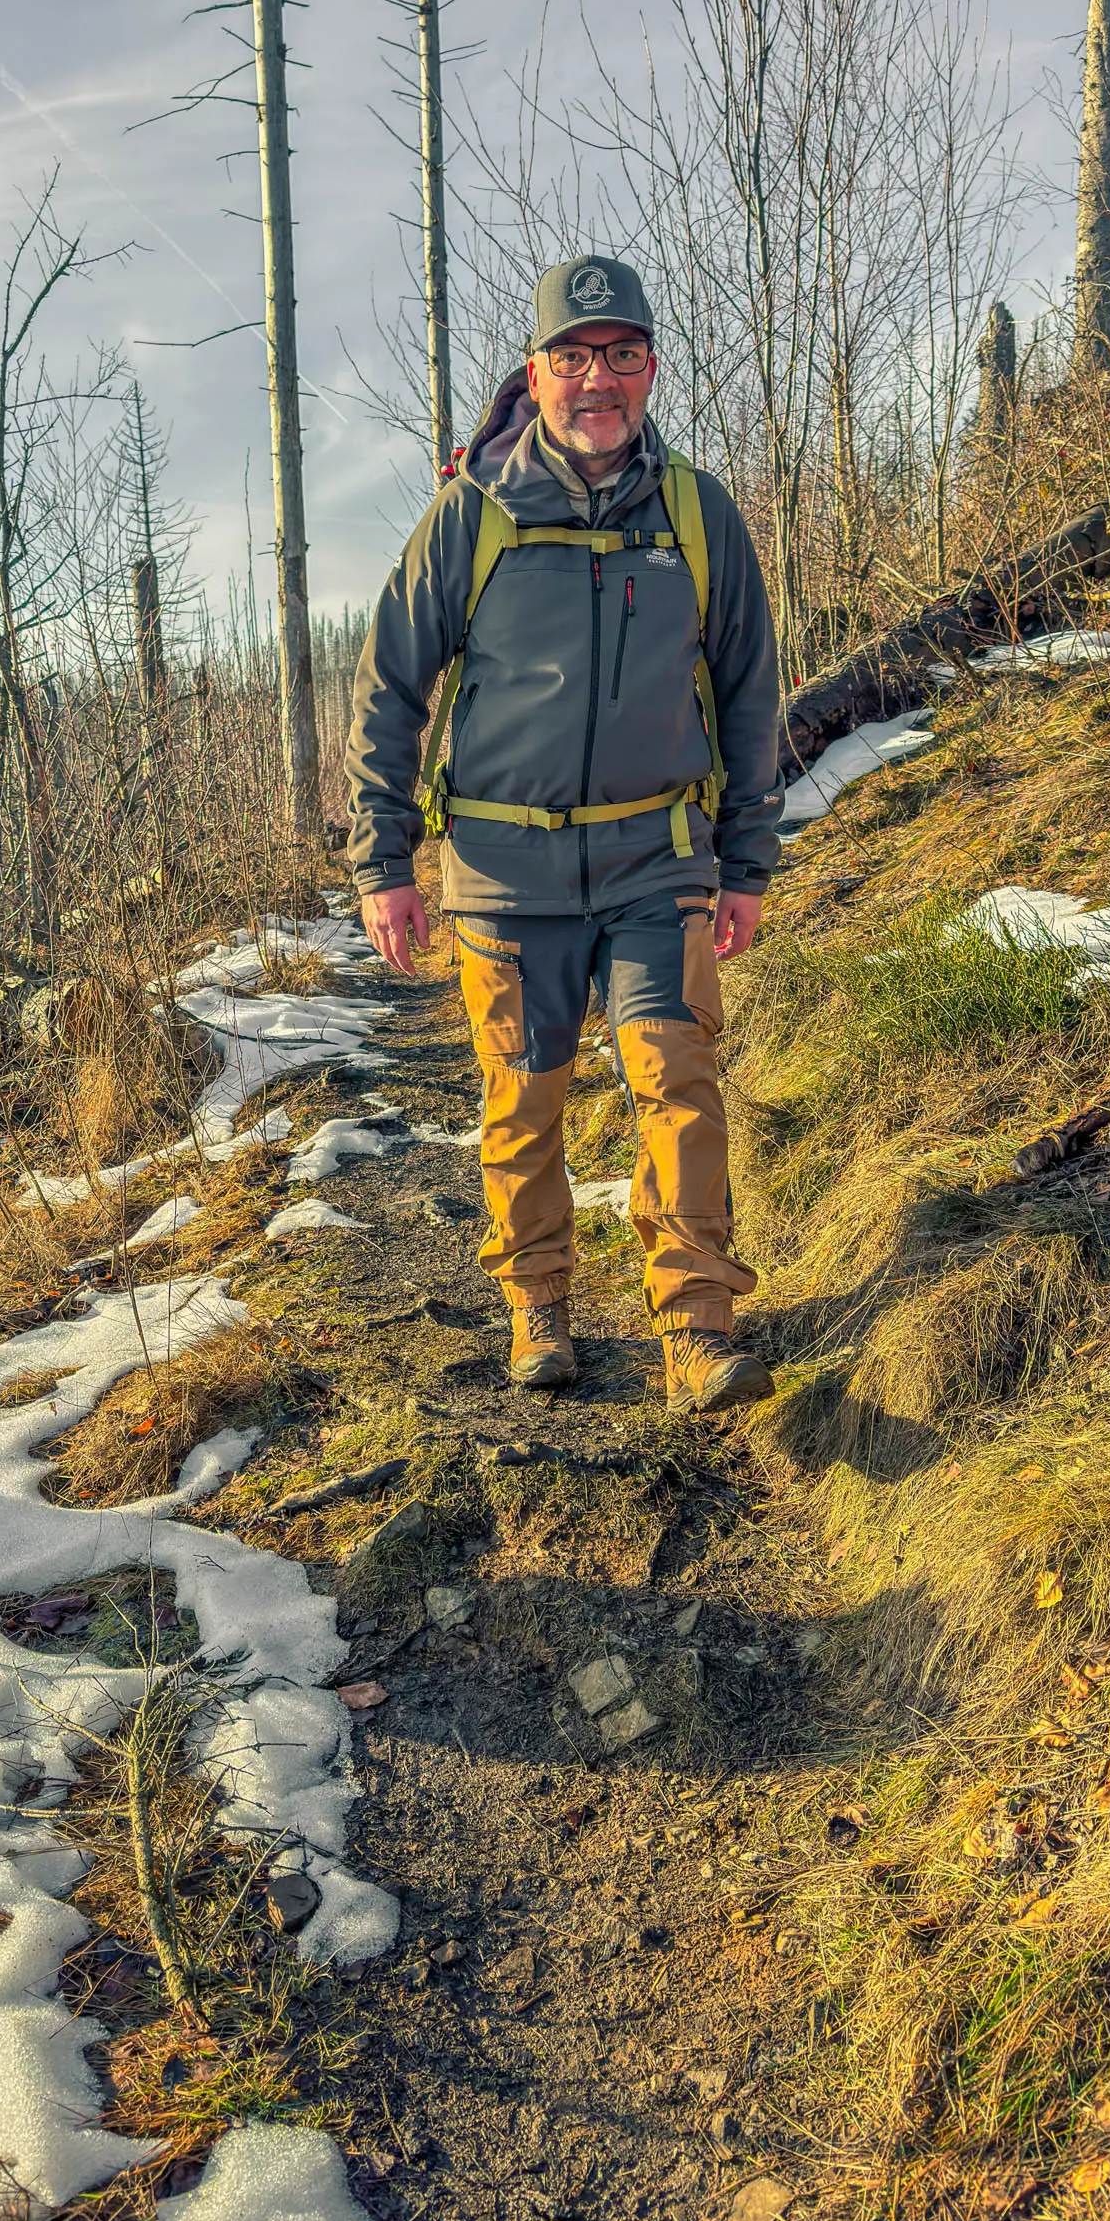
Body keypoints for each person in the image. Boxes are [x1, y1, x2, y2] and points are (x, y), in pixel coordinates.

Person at [344, 253, 783, 1412]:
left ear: (650, 368)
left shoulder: (694, 512)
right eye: (576, 358)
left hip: (657, 862)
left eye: (622, 356)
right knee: (523, 1097)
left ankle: (697, 1325)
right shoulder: (471, 517)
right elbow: (391, 686)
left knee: (676, 1081)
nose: (601, 381)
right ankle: (539, 1303)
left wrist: (746, 859)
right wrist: (384, 862)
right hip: (503, 873)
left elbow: (748, 689)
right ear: (536, 373)